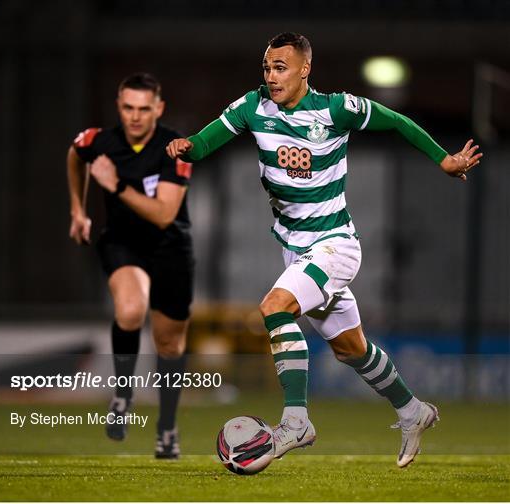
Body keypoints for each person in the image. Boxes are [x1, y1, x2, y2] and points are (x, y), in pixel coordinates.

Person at [166, 32, 482, 467]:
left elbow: (397, 121)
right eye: (267, 67)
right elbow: (204, 144)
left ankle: (297, 422)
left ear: (304, 69)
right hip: (295, 251)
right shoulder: (252, 107)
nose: (272, 76)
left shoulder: (336, 109)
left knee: (275, 307)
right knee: (351, 348)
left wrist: (443, 158)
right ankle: (413, 410)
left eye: (281, 67)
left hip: (334, 246)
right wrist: (187, 147)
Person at [67, 72, 195, 459]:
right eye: (128, 107)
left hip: (170, 247)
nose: (135, 116)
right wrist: (77, 209)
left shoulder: (176, 149)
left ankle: (167, 427)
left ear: (159, 108)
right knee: (130, 309)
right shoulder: (100, 141)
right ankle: (123, 394)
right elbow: (76, 154)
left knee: (169, 343)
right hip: (123, 244)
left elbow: (163, 214)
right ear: (119, 106)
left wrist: (116, 185)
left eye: (143, 108)